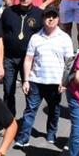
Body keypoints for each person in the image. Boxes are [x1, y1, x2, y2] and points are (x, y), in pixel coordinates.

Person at [15, 8, 73, 147]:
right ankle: (23, 139)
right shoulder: (35, 37)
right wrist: (26, 80)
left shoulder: (65, 38)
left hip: (55, 82)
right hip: (36, 81)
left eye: (54, 16)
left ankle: (51, 133)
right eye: (48, 16)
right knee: (30, 110)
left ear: (58, 19)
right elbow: (28, 59)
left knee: (54, 110)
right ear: (43, 19)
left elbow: (69, 63)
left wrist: (64, 82)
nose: (51, 19)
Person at [0, 0, 44, 117]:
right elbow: (0, 37)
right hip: (9, 57)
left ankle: (26, 122)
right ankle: (9, 121)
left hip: (29, 60)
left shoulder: (39, 14)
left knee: (29, 91)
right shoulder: (8, 12)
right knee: (8, 91)